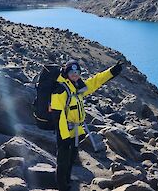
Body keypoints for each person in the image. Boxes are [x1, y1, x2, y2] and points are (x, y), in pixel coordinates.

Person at [51, 59, 123, 191]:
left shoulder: (76, 87)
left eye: (77, 71)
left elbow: (95, 81)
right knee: (63, 161)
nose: (75, 74)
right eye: (72, 71)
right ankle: (62, 187)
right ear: (66, 72)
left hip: (75, 131)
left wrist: (112, 72)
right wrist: (64, 137)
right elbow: (59, 116)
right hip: (65, 132)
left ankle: (67, 182)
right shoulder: (61, 90)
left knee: (71, 159)